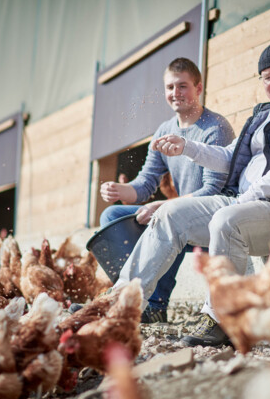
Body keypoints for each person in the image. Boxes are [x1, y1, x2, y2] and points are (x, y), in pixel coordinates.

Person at [112, 42, 270, 346]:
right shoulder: (266, 114)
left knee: (228, 219)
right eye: (267, 77)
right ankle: (122, 305)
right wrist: (188, 148)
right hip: (253, 205)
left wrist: (243, 200)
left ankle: (223, 319)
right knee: (169, 213)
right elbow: (231, 156)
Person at [99, 57, 234, 323]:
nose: (176, 93)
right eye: (170, 87)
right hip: (179, 213)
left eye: (183, 86)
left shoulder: (214, 129)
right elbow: (145, 184)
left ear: (199, 88)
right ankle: (129, 297)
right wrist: (119, 190)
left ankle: (155, 304)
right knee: (111, 216)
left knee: (167, 217)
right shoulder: (164, 130)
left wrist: (161, 206)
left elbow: (212, 190)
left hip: (212, 220)